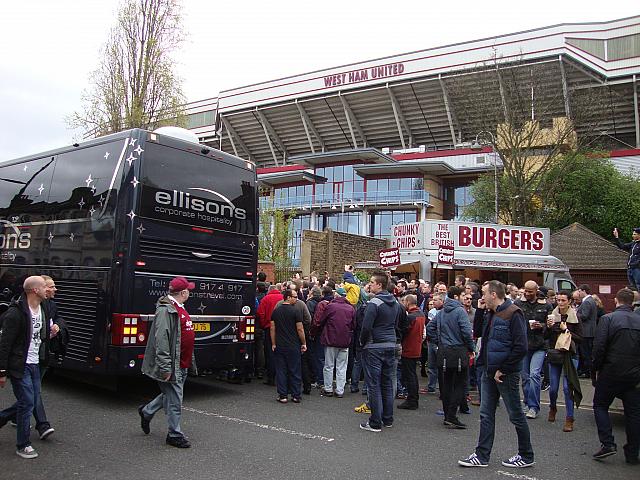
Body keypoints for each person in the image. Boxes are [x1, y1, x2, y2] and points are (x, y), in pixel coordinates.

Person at [459, 280, 534, 469]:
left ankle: (526, 455)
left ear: (494, 294)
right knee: (485, 414)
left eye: (483, 293)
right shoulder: (490, 313)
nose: (480, 297)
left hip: (505, 374)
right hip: (487, 370)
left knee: (515, 414)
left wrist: (504, 369)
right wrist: (481, 311)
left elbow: (521, 347)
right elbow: (477, 333)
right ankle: (481, 455)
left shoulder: (513, 313)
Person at [139, 276, 197, 448]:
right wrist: (165, 366)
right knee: (175, 399)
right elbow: (162, 339)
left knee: (170, 395)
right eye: (188, 290)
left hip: (182, 361)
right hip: (173, 363)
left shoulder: (179, 307)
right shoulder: (166, 310)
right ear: (183, 292)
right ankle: (174, 434)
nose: (189, 292)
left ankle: (146, 411)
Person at [0, 276, 51, 459]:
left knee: (29, 400)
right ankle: (23, 445)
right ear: (35, 290)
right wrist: (3, 371)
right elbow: (5, 344)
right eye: (45, 286)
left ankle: (2, 418)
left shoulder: (43, 308)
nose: (48, 289)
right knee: (28, 402)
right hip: (19, 365)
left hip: (35, 363)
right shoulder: (16, 313)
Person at [591, 288, 640, 464]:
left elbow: (599, 347)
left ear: (616, 300)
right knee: (633, 413)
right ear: (632, 303)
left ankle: (607, 443)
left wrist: (595, 369)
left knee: (600, 405)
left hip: (610, 372)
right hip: (634, 374)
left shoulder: (608, 319)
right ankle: (633, 452)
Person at [358, 270, 404, 432]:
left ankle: (375, 422)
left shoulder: (374, 303)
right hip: (391, 345)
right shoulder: (396, 303)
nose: (369, 285)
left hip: (374, 347)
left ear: (379, 284)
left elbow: (366, 327)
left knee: (374, 385)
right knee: (387, 383)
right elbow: (399, 324)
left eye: (371, 282)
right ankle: (388, 418)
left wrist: (363, 342)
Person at [428, 286, 474, 428]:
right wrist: (471, 348)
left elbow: (430, 328)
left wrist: (439, 341)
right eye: (462, 295)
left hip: (444, 351)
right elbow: (466, 332)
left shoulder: (441, 312)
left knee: (446, 384)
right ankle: (451, 415)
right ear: (456, 297)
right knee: (460, 384)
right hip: (458, 351)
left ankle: (448, 415)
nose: (463, 298)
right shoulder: (460, 311)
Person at [545, 290, 582, 433]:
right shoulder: (552, 315)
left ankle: (569, 418)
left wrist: (567, 330)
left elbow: (581, 338)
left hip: (570, 355)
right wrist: (548, 327)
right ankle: (553, 407)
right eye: (558, 300)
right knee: (553, 388)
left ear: (569, 301)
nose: (560, 303)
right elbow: (546, 337)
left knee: (568, 389)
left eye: (563, 300)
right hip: (555, 355)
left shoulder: (575, 316)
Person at [516, 281, 552, 420]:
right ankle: (527, 402)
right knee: (525, 378)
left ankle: (534, 407)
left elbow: (550, 325)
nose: (527, 293)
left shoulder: (546, 305)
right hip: (524, 345)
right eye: (526, 290)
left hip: (540, 345)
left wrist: (541, 326)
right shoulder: (519, 304)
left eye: (530, 291)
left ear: (536, 291)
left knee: (534, 375)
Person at [316, 289, 355, 398]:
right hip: (344, 340)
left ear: (336, 295)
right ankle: (340, 390)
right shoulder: (351, 308)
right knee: (342, 366)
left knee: (329, 365)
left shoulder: (331, 307)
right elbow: (353, 325)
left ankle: (328, 388)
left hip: (330, 339)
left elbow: (322, 321)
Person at [270, 289, 307, 403]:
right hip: (293, 345)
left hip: (280, 345)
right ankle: (296, 395)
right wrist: (304, 343)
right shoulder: (295, 311)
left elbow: (272, 328)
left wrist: (273, 343)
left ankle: (283, 395)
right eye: (295, 297)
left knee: (281, 370)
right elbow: (300, 329)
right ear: (288, 297)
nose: (296, 299)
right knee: (295, 370)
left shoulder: (276, 311)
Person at [398, 294, 426, 410]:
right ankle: (413, 398)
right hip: (416, 347)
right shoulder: (421, 314)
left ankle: (412, 399)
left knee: (410, 375)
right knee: (412, 374)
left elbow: (403, 331)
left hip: (409, 348)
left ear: (408, 302)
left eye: (404, 301)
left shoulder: (410, 317)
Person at [256, 285, 284, 386]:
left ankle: (271, 377)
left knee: (270, 352)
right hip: (282, 329)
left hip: (269, 328)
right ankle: (281, 377)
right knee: (281, 353)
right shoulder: (282, 298)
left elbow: (260, 313)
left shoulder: (266, 299)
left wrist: (263, 325)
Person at [576, 285, 597, 378]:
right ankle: (586, 370)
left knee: (585, 353)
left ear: (584, 291)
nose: (579, 293)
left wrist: (575, 313)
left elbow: (584, 316)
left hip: (586, 331)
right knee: (587, 352)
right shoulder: (591, 300)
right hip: (589, 331)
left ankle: (587, 371)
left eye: (579, 291)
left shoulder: (587, 302)